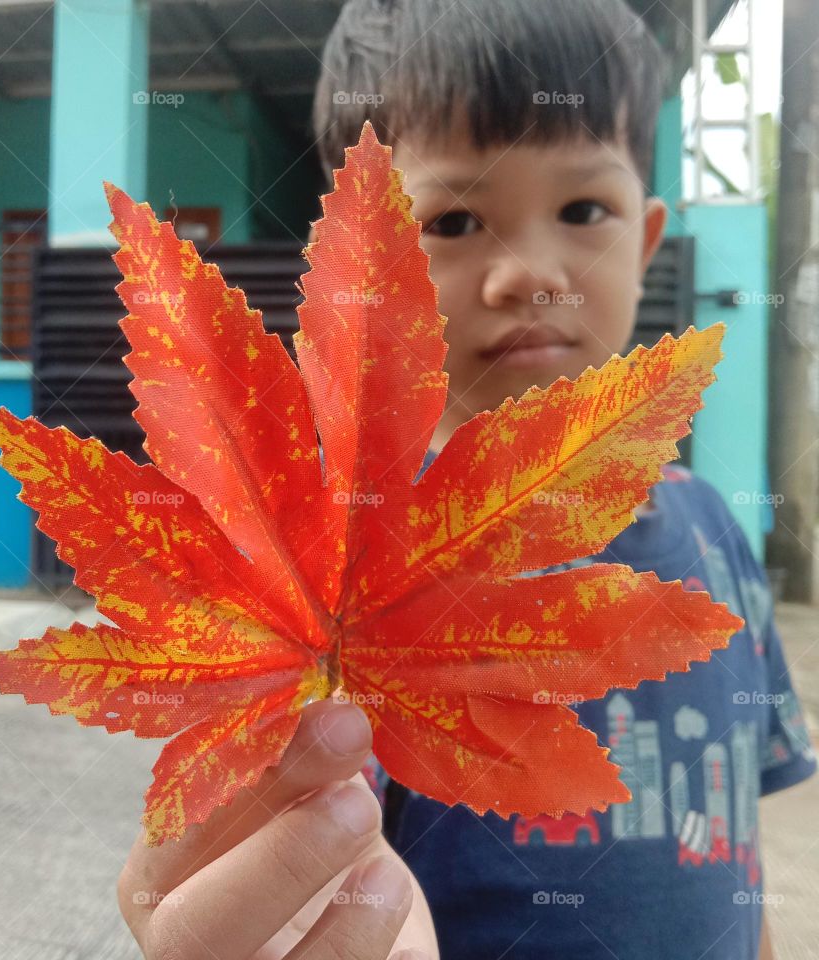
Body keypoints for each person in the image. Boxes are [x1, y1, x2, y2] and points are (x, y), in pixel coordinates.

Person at [116, 1, 815, 958]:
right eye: (453, 220)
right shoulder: (331, 575)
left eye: (582, 210)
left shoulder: (716, 536)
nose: (526, 273)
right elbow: (311, 868)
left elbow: (745, 863)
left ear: (648, 239)